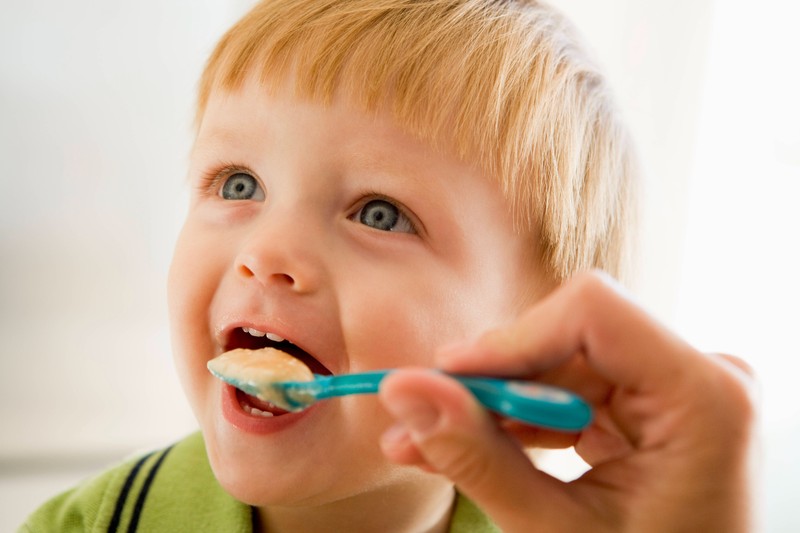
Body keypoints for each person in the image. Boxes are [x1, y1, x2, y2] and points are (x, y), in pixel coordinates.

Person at [21, 1, 755, 532]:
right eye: (239, 183)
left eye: (379, 213)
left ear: (540, 342)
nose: (265, 254)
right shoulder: (90, 524)